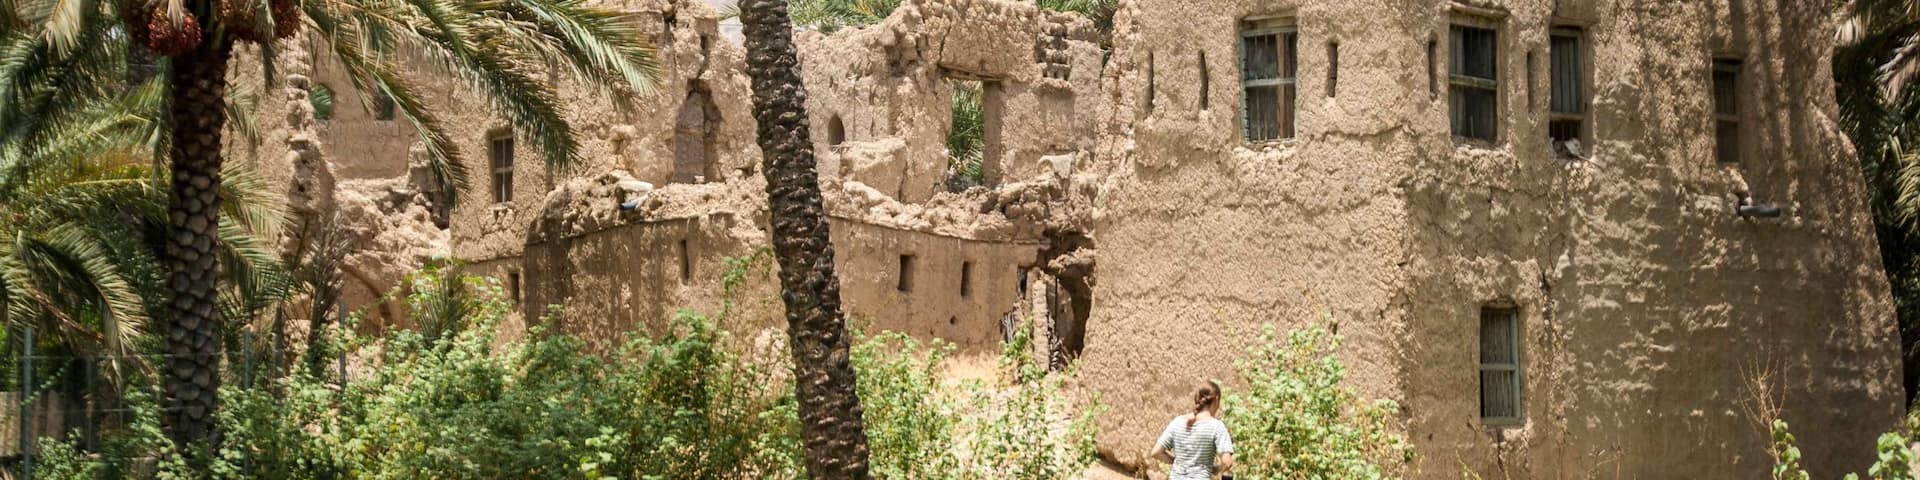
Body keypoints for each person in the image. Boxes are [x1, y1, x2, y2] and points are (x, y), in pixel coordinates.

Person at [1149, 380, 1234, 480]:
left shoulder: (1177, 422)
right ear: (1216, 399)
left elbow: (1156, 452)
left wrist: (1177, 461)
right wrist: (1216, 469)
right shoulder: (1216, 426)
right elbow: (1227, 462)